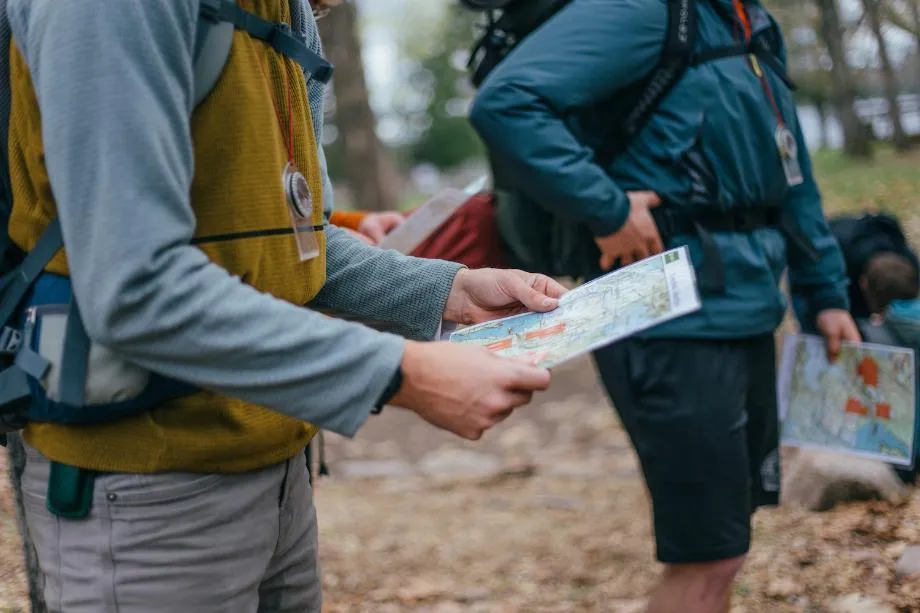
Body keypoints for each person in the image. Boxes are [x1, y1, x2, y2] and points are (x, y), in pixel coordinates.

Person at [5, 1, 567, 611]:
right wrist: (401, 374)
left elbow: (300, 243)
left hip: (278, 464)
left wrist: (450, 290)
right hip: (144, 493)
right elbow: (135, 287)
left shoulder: (284, 9)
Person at [461, 0, 861, 611]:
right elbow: (507, 104)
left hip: (746, 304)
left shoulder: (746, 22)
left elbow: (790, 169)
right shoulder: (647, 9)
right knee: (709, 555)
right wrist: (608, 208)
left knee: (727, 544)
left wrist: (825, 294)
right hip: (661, 312)